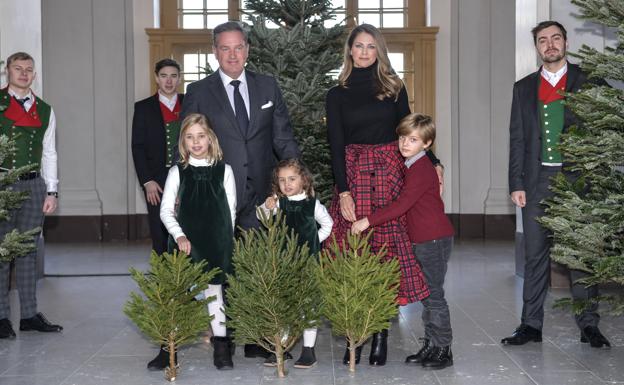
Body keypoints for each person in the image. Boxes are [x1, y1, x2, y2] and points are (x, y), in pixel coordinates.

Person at [181, 20, 300, 360]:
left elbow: (283, 137)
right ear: (215, 51)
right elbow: (188, 145)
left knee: (255, 265)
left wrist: (293, 180)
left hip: (261, 194)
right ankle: (223, 336)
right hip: (215, 196)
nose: (232, 54)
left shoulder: (267, 87)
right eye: (224, 48)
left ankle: (255, 339)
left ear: (247, 49)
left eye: (238, 47)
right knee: (219, 266)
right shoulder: (200, 91)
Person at [326, 23, 441, 366]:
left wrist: (434, 162)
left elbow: (410, 129)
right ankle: (356, 331)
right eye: (359, 46)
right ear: (350, 50)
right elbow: (335, 143)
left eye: (371, 47)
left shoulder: (393, 87)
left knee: (386, 253)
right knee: (355, 254)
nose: (364, 52)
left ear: (379, 51)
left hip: (390, 173)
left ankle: (381, 334)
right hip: (354, 176)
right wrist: (343, 190)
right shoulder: (337, 93)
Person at [503, 20, 610, 348]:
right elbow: (517, 138)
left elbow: (604, 133)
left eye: (556, 39)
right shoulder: (523, 88)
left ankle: (589, 325)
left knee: (581, 256)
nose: (550, 45)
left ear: (566, 42)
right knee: (535, 255)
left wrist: (598, 179)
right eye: (543, 40)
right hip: (537, 182)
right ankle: (530, 325)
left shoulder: (589, 81)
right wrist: (516, 182)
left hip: (579, 181)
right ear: (536, 47)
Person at [352, 113, 454, 370]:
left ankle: (444, 349)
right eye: (402, 138)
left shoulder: (421, 168)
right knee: (427, 295)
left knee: (434, 296)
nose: (404, 144)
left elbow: (402, 205)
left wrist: (367, 221)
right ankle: (431, 344)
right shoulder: (413, 165)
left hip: (433, 239)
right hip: (423, 239)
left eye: (413, 139)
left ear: (427, 143)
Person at [160, 113, 237, 369]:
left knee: (215, 293)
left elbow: (231, 210)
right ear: (183, 141)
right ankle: (167, 347)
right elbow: (166, 210)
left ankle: (222, 347)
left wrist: (226, 241)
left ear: (210, 138)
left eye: (201, 136)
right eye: (190, 137)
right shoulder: (177, 171)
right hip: (186, 242)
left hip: (216, 242)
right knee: (178, 295)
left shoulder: (225, 171)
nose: (196, 142)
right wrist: (178, 234)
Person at [0, 52, 63, 339]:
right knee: (2, 252)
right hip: (2, 184)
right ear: (7, 71)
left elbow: (49, 152)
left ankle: (28, 314)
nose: (24, 74)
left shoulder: (46, 109)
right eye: (18, 69)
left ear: (34, 75)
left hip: (34, 185)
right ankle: (1, 317)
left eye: (29, 70)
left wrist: (51, 190)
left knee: (27, 251)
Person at [256, 159, 333, 369]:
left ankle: (309, 350)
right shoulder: (279, 202)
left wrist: (314, 240)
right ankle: (283, 347)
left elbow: (328, 224)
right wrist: (267, 205)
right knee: (284, 304)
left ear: (304, 180)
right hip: (283, 262)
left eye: (292, 179)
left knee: (309, 305)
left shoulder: (312, 204)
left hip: (308, 262)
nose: (287, 184)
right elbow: (261, 215)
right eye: (282, 180)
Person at [131, 58, 183, 259]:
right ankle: (163, 282)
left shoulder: (188, 103)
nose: (168, 81)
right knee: (159, 229)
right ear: (156, 78)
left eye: (173, 76)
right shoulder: (143, 107)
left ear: (179, 79)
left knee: (186, 227)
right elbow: (138, 147)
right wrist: (147, 181)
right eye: (164, 76)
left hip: (186, 176)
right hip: (156, 180)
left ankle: (187, 280)